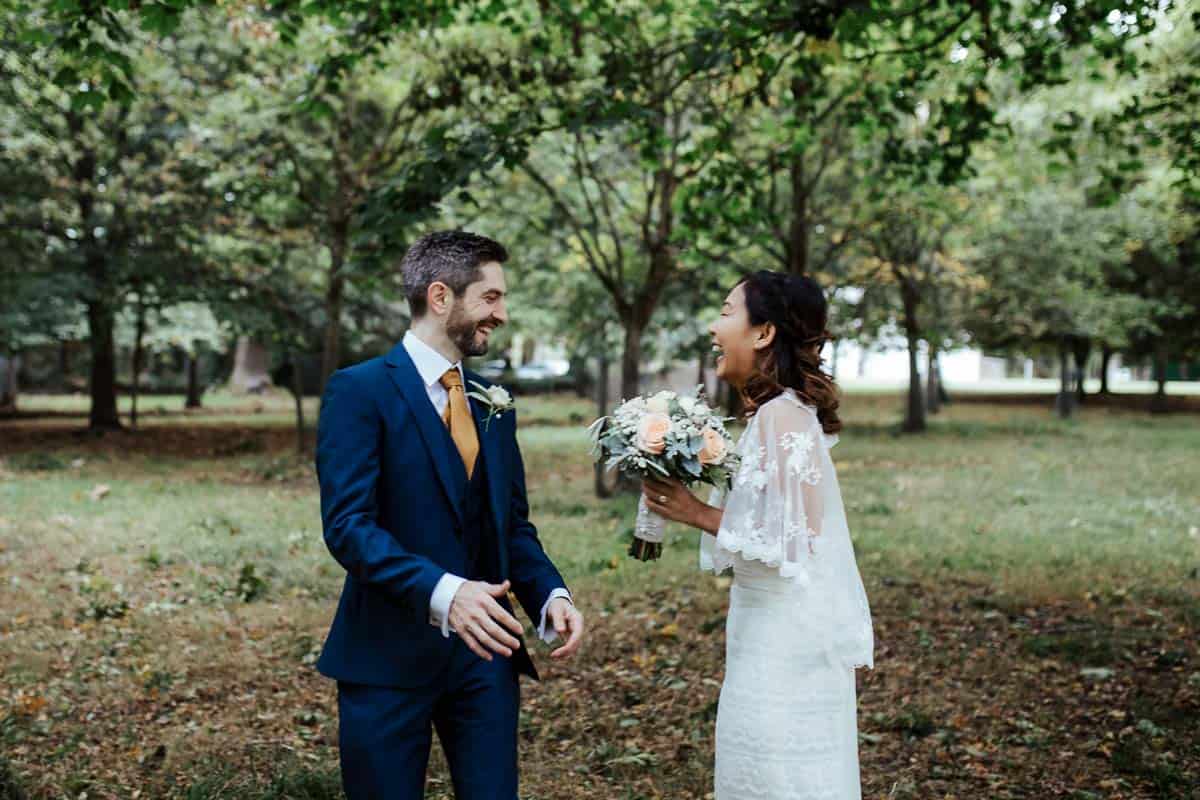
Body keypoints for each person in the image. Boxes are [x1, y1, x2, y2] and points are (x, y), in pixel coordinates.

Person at [314, 230, 585, 799]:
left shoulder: (494, 402)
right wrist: (446, 592)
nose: (502, 314)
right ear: (441, 297)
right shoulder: (358, 391)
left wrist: (550, 594)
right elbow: (348, 527)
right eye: (490, 298)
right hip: (385, 659)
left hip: (486, 661)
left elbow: (510, 523)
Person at [643, 270, 873, 800]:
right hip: (769, 631)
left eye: (727, 312)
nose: (714, 326)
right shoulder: (780, 414)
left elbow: (793, 541)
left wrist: (695, 511)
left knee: (776, 779)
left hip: (783, 647)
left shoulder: (781, 417)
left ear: (764, 333)